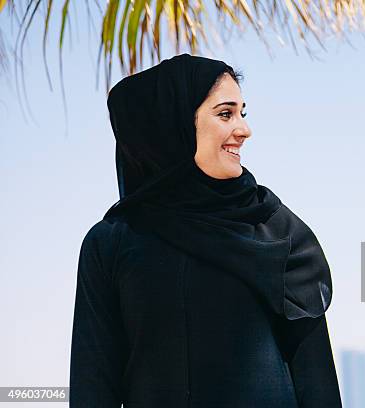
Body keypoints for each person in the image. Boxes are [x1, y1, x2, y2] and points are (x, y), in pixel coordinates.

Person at [69, 54, 342, 408]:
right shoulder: (112, 243)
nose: (243, 130)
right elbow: (93, 388)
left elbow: (317, 385)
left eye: (243, 113)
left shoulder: (278, 233)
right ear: (175, 124)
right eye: (225, 113)